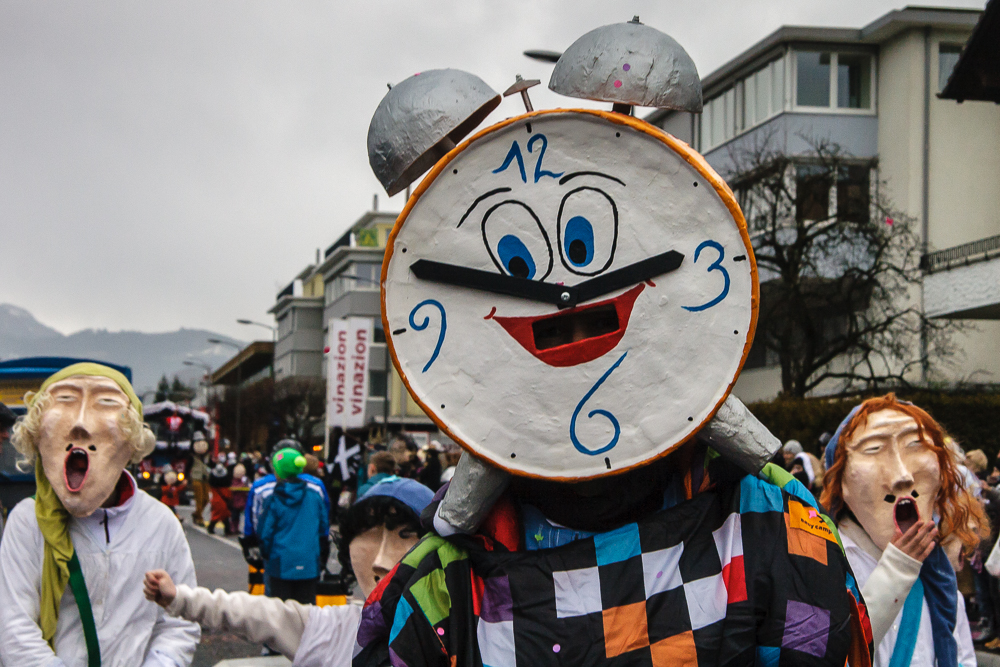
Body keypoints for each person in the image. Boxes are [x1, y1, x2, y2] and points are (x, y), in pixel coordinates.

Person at [0, 363, 199, 666]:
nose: (81, 423)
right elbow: (13, 626)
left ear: (132, 440)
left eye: (105, 402)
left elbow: (179, 621)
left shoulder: (160, 522)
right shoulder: (28, 521)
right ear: (37, 436)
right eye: (65, 401)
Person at [143, 477, 434, 667]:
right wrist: (179, 598)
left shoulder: (463, 631)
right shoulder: (336, 628)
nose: (381, 559)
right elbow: (257, 612)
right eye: (368, 535)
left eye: (406, 536)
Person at [821, 393, 988, 667]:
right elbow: (831, 655)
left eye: (915, 445)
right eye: (873, 448)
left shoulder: (941, 583)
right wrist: (895, 573)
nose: (903, 475)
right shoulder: (824, 567)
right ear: (841, 483)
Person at [258, 447, 330, 605]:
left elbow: (265, 533)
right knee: (307, 615)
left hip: (280, 563)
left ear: (278, 472)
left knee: (281, 613)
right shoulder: (314, 495)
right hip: (309, 563)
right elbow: (324, 529)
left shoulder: (274, 499)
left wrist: (265, 554)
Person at [188, 432, 211, 527]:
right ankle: (199, 518)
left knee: (206, 499)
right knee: (199, 499)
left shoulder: (207, 456)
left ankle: (196, 513)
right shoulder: (192, 457)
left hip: (206, 478)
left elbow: (211, 465)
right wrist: (186, 478)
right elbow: (188, 467)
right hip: (196, 477)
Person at [207, 455, 233, 535]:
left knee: (218, 515)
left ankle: (214, 528)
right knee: (224, 515)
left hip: (216, 499)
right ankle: (224, 529)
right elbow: (227, 495)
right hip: (222, 500)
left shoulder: (213, 487)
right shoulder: (225, 487)